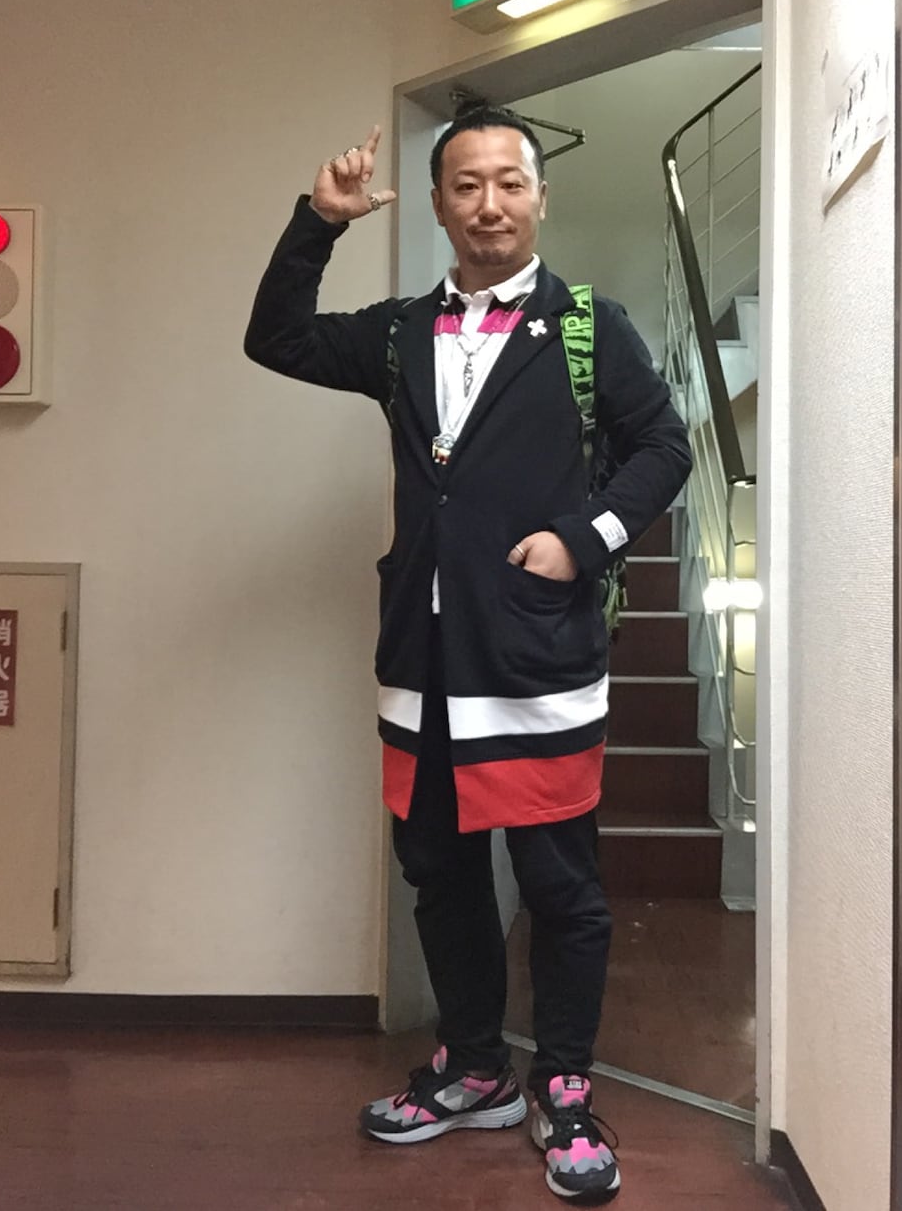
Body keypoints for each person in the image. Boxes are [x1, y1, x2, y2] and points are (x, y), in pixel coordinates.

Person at [245, 109, 692, 1204]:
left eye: (509, 182)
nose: (489, 203)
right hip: (423, 660)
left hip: (536, 656)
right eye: (466, 185)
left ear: (539, 197)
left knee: (559, 883)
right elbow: (277, 337)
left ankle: (566, 1084)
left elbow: (663, 445)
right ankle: (476, 1064)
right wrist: (318, 222)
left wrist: (586, 537)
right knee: (439, 873)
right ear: (441, 204)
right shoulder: (401, 332)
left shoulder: (587, 327)